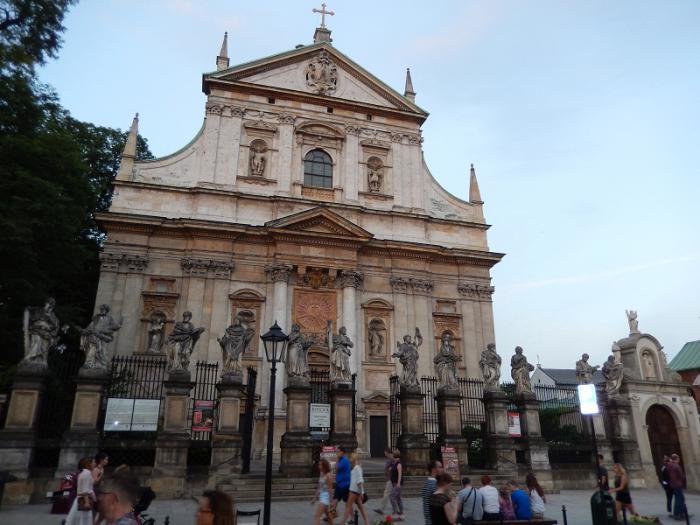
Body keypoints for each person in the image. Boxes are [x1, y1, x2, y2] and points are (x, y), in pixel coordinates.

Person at [65, 457, 95, 525]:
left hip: (80, 498)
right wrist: (87, 502)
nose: (94, 464)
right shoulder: (87, 473)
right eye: (93, 462)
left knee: (78, 519)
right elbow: (85, 489)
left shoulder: (83, 473)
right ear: (88, 464)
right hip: (84, 499)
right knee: (83, 520)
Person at [341, 453, 370, 525]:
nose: (350, 459)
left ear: (354, 459)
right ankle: (367, 522)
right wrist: (360, 492)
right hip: (356, 490)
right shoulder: (355, 467)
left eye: (351, 457)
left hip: (354, 490)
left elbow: (360, 481)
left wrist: (362, 492)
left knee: (348, 507)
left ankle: (342, 523)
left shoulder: (357, 467)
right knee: (361, 508)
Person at [421, 459, 443, 524]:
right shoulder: (434, 484)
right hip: (433, 520)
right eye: (440, 467)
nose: (442, 469)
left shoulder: (427, 482)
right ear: (433, 469)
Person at [376, 447, 397, 516]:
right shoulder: (390, 458)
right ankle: (395, 510)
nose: (384, 454)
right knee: (391, 494)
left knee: (387, 493)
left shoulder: (392, 458)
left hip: (391, 479)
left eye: (384, 452)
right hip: (390, 478)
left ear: (386, 452)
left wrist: (390, 469)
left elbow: (396, 465)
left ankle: (382, 509)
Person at [312, 459, 334, 525]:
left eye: (320, 465)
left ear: (324, 466)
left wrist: (331, 502)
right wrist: (315, 498)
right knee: (329, 516)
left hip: (326, 498)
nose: (318, 466)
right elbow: (319, 487)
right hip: (322, 496)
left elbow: (330, 489)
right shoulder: (321, 474)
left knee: (317, 516)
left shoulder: (328, 475)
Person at [332, 447, 351, 520]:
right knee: (335, 499)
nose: (337, 453)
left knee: (348, 502)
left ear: (342, 452)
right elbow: (336, 470)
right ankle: (332, 514)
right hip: (339, 483)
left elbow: (336, 468)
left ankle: (353, 518)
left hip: (344, 484)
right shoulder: (341, 460)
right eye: (336, 452)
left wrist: (336, 459)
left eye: (338, 451)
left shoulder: (344, 460)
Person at [667, 453, 687, 520]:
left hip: (673, 484)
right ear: (677, 459)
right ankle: (679, 514)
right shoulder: (676, 466)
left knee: (679, 498)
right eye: (678, 458)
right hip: (677, 484)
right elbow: (681, 475)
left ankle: (680, 513)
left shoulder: (669, 465)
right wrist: (683, 478)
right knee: (680, 499)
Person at [390, 450, 404, 521]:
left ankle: (395, 512)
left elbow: (400, 474)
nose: (392, 455)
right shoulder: (395, 463)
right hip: (394, 483)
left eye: (392, 454)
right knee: (398, 498)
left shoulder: (399, 464)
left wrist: (398, 483)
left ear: (394, 455)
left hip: (397, 484)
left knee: (392, 497)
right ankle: (401, 514)